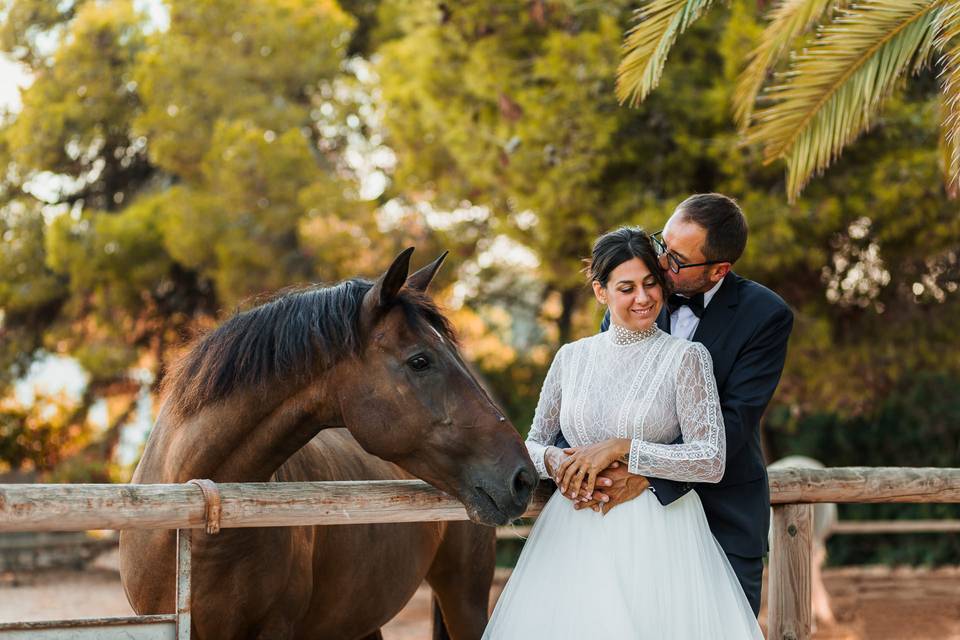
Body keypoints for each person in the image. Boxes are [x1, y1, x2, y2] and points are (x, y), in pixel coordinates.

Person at [483, 226, 763, 638]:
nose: (643, 298)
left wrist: (624, 448)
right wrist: (560, 462)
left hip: (660, 537)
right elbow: (532, 443)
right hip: (573, 533)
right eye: (627, 287)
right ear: (601, 292)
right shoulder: (571, 358)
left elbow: (710, 458)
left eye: (651, 284)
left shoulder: (686, 358)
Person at [577, 193, 794, 615]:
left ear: (719, 270)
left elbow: (734, 422)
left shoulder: (766, 315)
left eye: (676, 259)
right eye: (662, 246)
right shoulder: (637, 300)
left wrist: (648, 472)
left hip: (723, 518)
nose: (659, 264)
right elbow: (610, 398)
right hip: (634, 520)